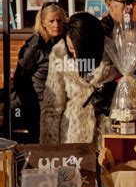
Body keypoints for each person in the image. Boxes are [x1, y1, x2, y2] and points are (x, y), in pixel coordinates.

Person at [40, 12, 116, 144]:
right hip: (73, 136)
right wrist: (50, 148)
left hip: (107, 137)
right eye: (70, 49)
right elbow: (52, 106)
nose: (74, 54)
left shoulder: (113, 54)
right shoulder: (60, 55)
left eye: (77, 49)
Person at [11, 2, 67, 143]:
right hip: (38, 106)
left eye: (59, 20)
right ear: (43, 23)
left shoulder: (64, 41)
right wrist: (33, 105)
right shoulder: (34, 46)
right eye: (52, 21)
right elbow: (20, 79)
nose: (56, 25)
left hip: (60, 103)